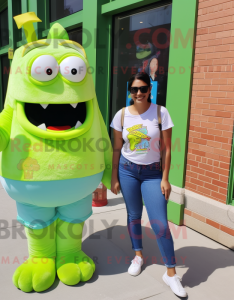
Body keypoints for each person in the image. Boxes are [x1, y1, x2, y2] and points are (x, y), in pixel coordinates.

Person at [110, 72, 187, 298]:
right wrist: (114, 176)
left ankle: (171, 274)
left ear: (150, 89)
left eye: (143, 88)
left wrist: (165, 178)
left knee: (160, 224)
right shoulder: (121, 115)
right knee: (133, 215)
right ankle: (138, 255)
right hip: (127, 171)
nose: (139, 93)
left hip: (153, 174)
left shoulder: (161, 113)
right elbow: (116, 148)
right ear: (129, 92)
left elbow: (167, 149)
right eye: (134, 89)